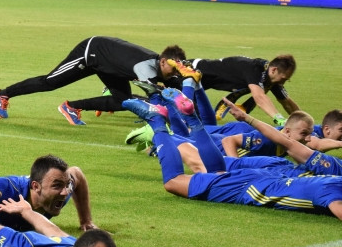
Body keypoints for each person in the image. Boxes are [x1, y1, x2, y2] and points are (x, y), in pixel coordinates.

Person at [122, 92, 342, 220]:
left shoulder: (333, 171)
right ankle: (158, 123)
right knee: (174, 180)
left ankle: (180, 119)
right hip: (255, 185)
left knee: (204, 164)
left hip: (273, 173)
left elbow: (308, 145)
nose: (307, 138)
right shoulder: (332, 187)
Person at [0, 38, 186, 125]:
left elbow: (177, 91)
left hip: (110, 66)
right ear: (162, 61)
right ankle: (2, 94)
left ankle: (72, 107)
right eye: (173, 67)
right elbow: (154, 96)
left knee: (122, 100)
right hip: (92, 53)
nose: (175, 71)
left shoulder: (167, 71)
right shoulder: (146, 67)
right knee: (50, 82)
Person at [182, 54, 298, 125]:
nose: (283, 82)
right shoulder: (254, 69)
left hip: (201, 83)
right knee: (183, 114)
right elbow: (260, 98)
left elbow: (287, 103)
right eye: (283, 78)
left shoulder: (271, 78)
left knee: (194, 119)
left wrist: (303, 121)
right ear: (274, 70)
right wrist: (279, 119)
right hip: (190, 71)